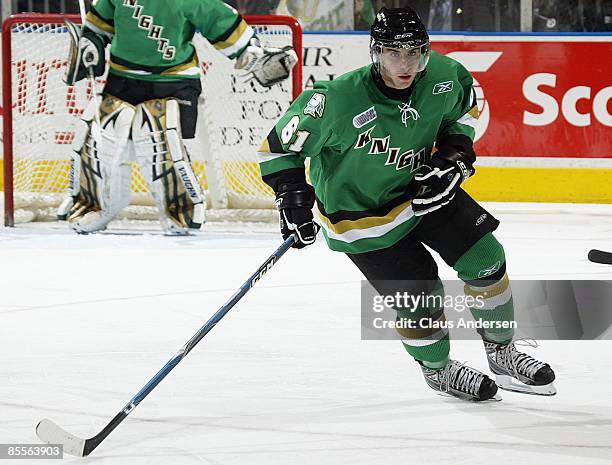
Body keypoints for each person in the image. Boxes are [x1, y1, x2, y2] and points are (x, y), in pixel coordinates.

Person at [258, 7, 556, 401]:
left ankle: (502, 352)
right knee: (421, 298)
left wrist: (454, 155)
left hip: (422, 192)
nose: (405, 63)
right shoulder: (334, 100)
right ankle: (438, 369)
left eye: (414, 52)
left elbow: (464, 114)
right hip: (360, 218)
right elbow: (277, 149)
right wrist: (293, 198)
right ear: (375, 53)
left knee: (486, 257)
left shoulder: (446, 78)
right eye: (394, 53)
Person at [59, 0, 297, 234]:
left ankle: (180, 210)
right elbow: (100, 23)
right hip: (121, 77)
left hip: (173, 81)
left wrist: (251, 52)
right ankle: (91, 204)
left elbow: (218, 18)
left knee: (160, 144)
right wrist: (92, 40)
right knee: (99, 143)